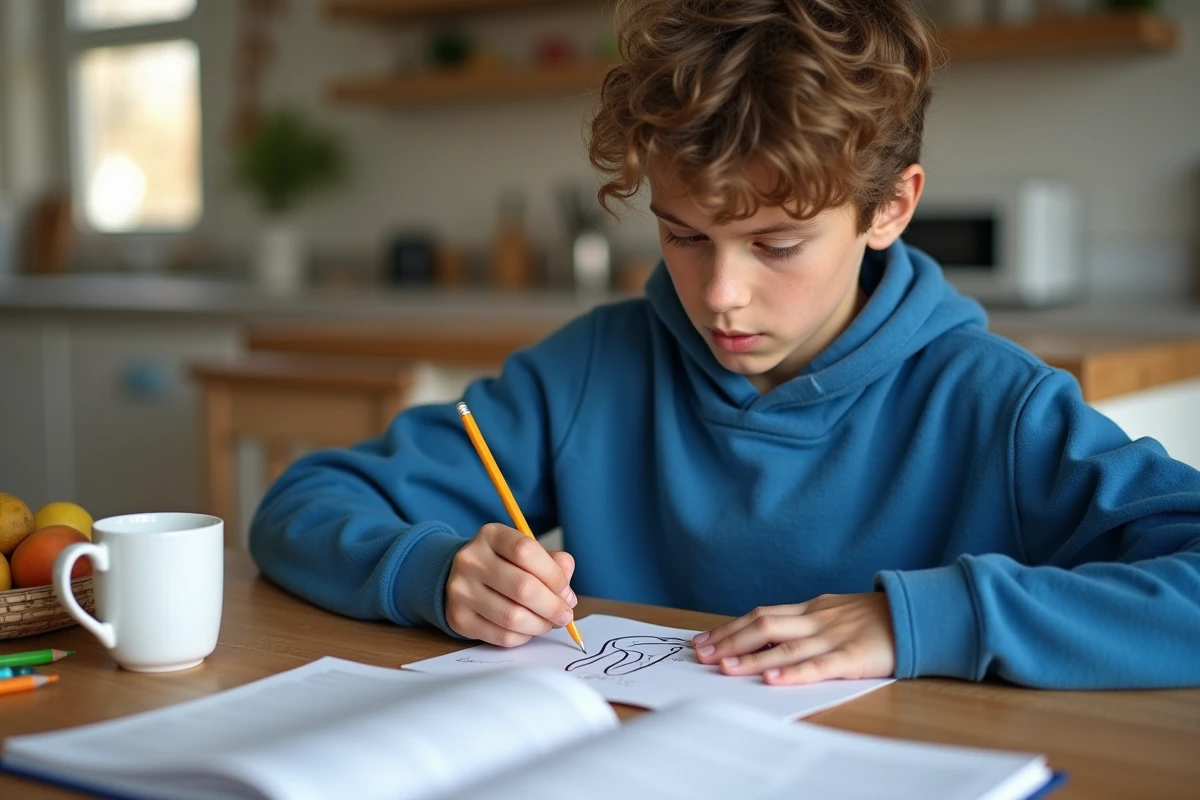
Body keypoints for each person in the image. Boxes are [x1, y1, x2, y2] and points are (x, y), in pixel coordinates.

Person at [250, 0, 1200, 690]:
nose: (720, 295)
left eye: (777, 245)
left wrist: (925, 620)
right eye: (684, 235)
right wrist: (434, 573)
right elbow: (304, 502)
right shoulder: (593, 370)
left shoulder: (996, 407)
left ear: (891, 208)